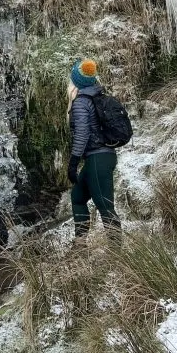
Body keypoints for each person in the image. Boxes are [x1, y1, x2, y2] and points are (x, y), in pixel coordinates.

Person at [67, 59, 122, 245]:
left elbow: (82, 134)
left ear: (76, 80)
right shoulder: (98, 96)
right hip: (102, 157)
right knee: (78, 197)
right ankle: (80, 243)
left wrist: (73, 162)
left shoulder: (81, 103)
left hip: (98, 159)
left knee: (105, 207)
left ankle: (118, 254)